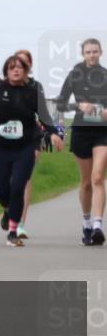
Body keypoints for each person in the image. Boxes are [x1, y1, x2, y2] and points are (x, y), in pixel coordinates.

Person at [0, 54, 63, 247]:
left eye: (19, 67)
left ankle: (13, 231)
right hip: (0, 148)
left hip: (24, 148)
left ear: (25, 71)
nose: (15, 70)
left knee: (17, 188)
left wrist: (54, 133)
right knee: (2, 191)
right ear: (6, 71)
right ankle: (7, 211)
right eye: (11, 67)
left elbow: (45, 118)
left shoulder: (32, 94)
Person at [56, 37, 107, 246]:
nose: (92, 55)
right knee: (86, 182)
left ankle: (97, 226)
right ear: (83, 54)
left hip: (103, 131)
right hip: (82, 131)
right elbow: (60, 104)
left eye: (95, 51)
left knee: (97, 178)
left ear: (101, 52)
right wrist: (79, 106)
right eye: (88, 52)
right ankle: (86, 223)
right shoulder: (75, 75)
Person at [12, 49, 61, 239]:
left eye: (24, 64)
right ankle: (10, 212)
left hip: (31, 137)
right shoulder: (5, 85)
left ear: (29, 67)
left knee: (24, 180)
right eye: (17, 63)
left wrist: (54, 132)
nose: (20, 67)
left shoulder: (35, 86)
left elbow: (43, 114)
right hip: (7, 138)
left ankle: (20, 224)